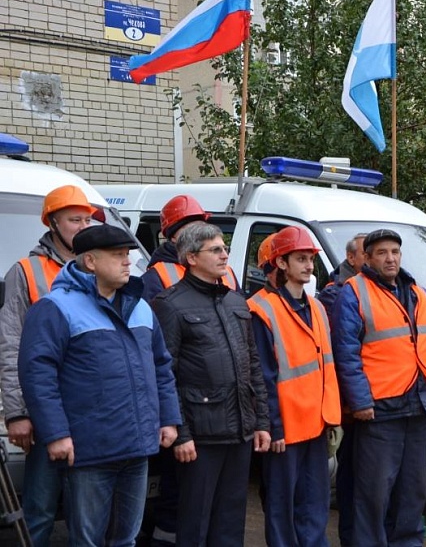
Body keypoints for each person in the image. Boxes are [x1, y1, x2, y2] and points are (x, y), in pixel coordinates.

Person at [17, 224, 181, 546]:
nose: (127, 263)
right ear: (90, 262)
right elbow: (38, 374)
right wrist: (57, 434)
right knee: (87, 541)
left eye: (128, 255)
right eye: (118, 255)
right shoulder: (55, 308)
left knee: (127, 539)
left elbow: (161, 365)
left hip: (137, 447)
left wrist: (168, 418)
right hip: (90, 451)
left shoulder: (141, 307)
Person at [150, 221, 271, 546]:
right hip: (200, 437)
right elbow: (165, 374)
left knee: (231, 523)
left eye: (225, 248)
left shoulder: (235, 301)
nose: (224, 255)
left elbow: (252, 366)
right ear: (191, 257)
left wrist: (260, 422)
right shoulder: (170, 304)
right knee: (195, 523)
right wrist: (181, 434)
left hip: (239, 433)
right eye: (215, 249)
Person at [331, 228, 426, 546]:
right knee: (374, 491)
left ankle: (407, 542)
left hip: (418, 404)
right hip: (380, 408)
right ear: (366, 258)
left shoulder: (418, 293)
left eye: (395, 251)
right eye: (381, 252)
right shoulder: (353, 292)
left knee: (413, 488)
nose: (390, 258)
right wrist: (360, 401)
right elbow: (346, 353)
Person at [0, 185, 96, 546]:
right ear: (53, 223)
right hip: (46, 412)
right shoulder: (25, 272)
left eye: (88, 219)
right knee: (39, 511)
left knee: (86, 514)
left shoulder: (97, 268)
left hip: (89, 412)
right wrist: (18, 413)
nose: (84, 226)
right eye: (75, 220)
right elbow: (11, 345)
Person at [248, 227, 342, 546]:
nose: (308, 266)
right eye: (300, 259)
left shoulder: (315, 307)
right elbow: (262, 376)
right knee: (282, 508)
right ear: (281, 263)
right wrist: (273, 426)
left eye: (310, 259)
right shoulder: (261, 309)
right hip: (285, 430)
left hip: (314, 424)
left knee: (314, 504)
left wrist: (330, 416)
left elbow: (324, 366)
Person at [317, 233, 366, 546]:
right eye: (369, 252)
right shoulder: (338, 294)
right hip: (349, 405)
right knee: (350, 477)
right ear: (352, 258)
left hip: (367, 401)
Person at [142, 194, 239, 303]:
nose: (196, 234)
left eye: (200, 228)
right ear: (173, 237)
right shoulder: (156, 275)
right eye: (189, 230)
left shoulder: (227, 272)